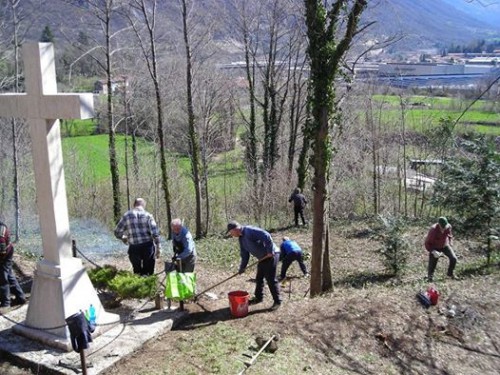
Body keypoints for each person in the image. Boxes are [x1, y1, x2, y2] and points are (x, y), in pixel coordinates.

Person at [226, 220, 282, 311]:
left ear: (235, 229)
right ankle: (258, 298)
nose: (231, 235)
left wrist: (269, 251)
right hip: (262, 258)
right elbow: (245, 255)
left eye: (231, 232)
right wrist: (242, 268)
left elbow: (266, 235)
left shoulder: (249, 230)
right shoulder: (241, 239)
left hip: (272, 254)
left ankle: (277, 301)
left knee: (270, 278)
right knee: (259, 278)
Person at [114, 198, 161, 276]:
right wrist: (158, 248)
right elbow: (155, 233)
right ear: (143, 205)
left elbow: (117, 232)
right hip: (147, 246)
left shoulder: (127, 215)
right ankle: (148, 286)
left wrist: (123, 237)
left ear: (134, 205)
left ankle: (138, 287)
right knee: (148, 272)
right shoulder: (148, 215)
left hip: (134, 247)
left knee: (137, 272)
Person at [0, 221, 26, 308]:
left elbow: (2, 251)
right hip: (5, 253)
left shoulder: (1, 230)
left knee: (2, 278)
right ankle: (20, 297)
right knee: (9, 276)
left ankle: (6, 304)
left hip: (4, 255)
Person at [424, 216, 458, 281]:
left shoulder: (448, 227)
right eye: (442, 227)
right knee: (432, 264)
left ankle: (450, 274)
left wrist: (450, 242)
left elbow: (450, 235)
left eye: (444, 227)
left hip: (445, 245)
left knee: (453, 258)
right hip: (435, 247)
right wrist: (433, 251)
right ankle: (430, 277)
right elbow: (427, 243)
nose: (443, 229)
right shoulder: (433, 230)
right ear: (438, 224)